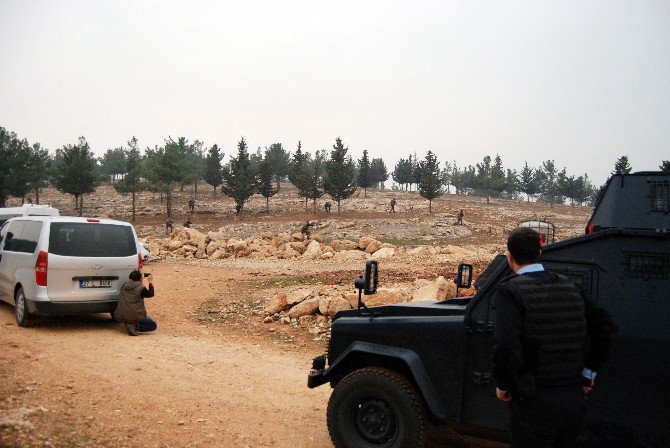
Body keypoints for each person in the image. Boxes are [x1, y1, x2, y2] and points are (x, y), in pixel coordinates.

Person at [493, 228, 617, 448]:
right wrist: (588, 373)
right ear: (540, 252)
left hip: (534, 404)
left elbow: (507, 345)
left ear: (509, 256)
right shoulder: (572, 287)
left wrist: (503, 386)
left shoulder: (509, 292)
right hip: (573, 401)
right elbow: (606, 327)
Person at [113, 270, 157, 336]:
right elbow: (151, 294)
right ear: (140, 279)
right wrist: (150, 282)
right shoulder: (141, 289)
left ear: (129, 278)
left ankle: (129, 324)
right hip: (135, 316)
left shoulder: (124, 286)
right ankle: (135, 327)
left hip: (121, 315)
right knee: (153, 325)